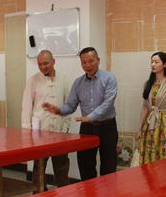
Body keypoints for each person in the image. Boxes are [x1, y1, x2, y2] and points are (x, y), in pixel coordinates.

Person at [43, 47, 118, 181]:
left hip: (107, 127)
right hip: (87, 128)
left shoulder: (109, 78)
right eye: (84, 62)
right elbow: (71, 105)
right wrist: (59, 110)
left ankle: (108, 194)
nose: (88, 65)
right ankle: (89, 194)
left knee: (108, 167)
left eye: (91, 61)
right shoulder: (78, 83)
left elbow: (108, 103)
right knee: (85, 166)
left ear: (98, 60)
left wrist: (90, 117)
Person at [21, 50, 71, 187]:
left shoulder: (63, 78)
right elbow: (26, 106)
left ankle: (64, 193)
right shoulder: (32, 80)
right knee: (39, 167)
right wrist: (26, 131)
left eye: (46, 63)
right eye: (40, 64)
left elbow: (67, 103)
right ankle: (38, 193)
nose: (43, 67)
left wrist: (66, 125)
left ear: (53, 62)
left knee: (62, 166)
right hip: (40, 132)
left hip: (60, 132)